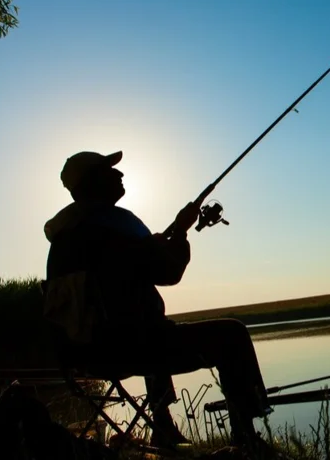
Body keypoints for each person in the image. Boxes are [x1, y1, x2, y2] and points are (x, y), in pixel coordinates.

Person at [41, 150, 273, 452]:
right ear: (92, 182)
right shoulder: (117, 225)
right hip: (132, 349)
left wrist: (163, 236)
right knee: (232, 334)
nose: (119, 175)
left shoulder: (64, 239)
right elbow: (167, 270)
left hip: (84, 356)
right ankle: (245, 438)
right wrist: (181, 235)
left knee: (147, 323)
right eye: (110, 171)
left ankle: (162, 425)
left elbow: (124, 268)